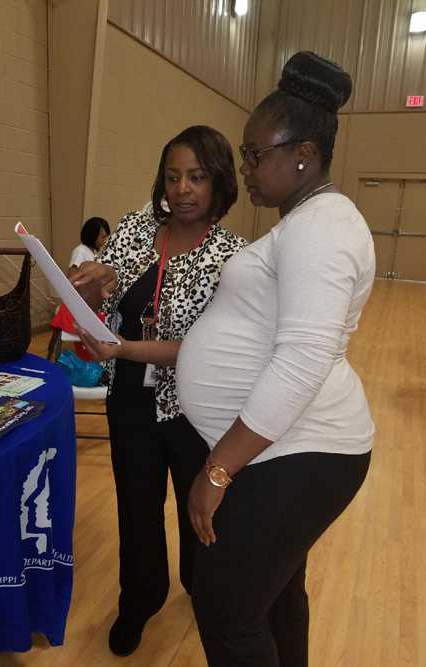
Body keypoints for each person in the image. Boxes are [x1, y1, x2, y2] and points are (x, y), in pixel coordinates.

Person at [176, 52, 376, 666]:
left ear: (303, 155)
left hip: (302, 451)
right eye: (245, 153)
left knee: (229, 611)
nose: (246, 168)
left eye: (256, 155)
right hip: (283, 450)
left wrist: (217, 470)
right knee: (275, 595)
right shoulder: (302, 223)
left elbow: (302, 362)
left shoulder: (323, 229)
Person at [72, 125, 247, 657]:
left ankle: (201, 587)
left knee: (199, 508)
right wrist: (92, 288)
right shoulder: (134, 228)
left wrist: (122, 347)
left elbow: (198, 348)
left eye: (196, 177)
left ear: (219, 182)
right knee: (135, 504)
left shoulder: (233, 257)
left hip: (193, 404)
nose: (182, 189)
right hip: (130, 398)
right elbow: (109, 307)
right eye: (173, 177)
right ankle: (140, 598)